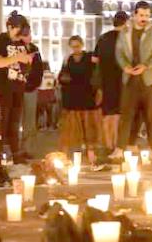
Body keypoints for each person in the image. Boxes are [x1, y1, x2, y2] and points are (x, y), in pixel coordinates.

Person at [110, 2, 152, 160]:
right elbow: (119, 52)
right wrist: (125, 66)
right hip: (130, 79)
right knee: (126, 114)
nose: (144, 19)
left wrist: (146, 66)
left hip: (148, 79)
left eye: (147, 16)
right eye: (141, 15)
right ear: (134, 15)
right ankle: (120, 148)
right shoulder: (125, 32)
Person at [0, 12, 34, 177]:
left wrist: (26, 60)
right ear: (9, 27)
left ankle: (16, 157)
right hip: (2, 89)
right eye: (17, 32)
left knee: (14, 124)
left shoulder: (21, 42)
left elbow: (24, 59)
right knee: (1, 123)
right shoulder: (1, 41)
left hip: (18, 88)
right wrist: (16, 58)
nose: (19, 36)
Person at [58, 35, 102, 164]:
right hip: (72, 97)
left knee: (89, 127)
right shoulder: (68, 59)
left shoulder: (90, 57)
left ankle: (90, 152)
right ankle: (64, 155)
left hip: (87, 96)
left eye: (77, 46)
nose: (75, 49)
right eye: (73, 46)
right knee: (70, 128)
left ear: (82, 45)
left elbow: (97, 73)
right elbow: (62, 75)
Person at [92, 11, 128, 153]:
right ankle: (117, 146)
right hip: (122, 81)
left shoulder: (103, 38)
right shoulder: (126, 39)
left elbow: (94, 60)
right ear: (125, 23)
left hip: (106, 82)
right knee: (118, 115)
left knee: (107, 115)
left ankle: (108, 145)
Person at [19, 26, 43, 160]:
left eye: (29, 34)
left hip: (30, 89)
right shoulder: (14, 49)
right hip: (17, 89)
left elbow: (39, 68)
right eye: (26, 35)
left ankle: (27, 149)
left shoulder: (34, 49)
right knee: (16, 120)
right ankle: (16, 149)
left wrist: (34, 83)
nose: (29, 37)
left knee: (29, 121)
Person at [36, 63, 57, 130]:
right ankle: (50, 125)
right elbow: (55, 84)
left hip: (41, 95)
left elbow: (37, 84)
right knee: (49, 112)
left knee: (41, 112)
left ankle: (41, 126)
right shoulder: (52, 74)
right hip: (50, 94)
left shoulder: (40, 74)